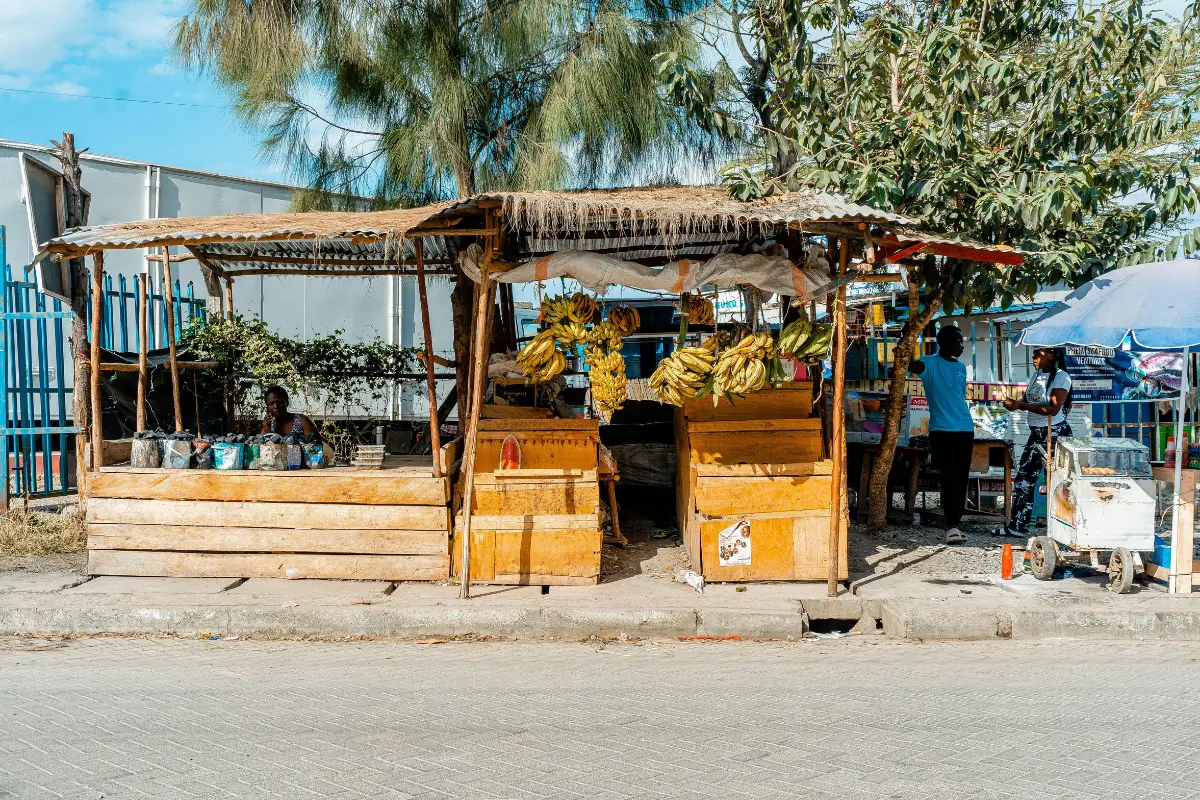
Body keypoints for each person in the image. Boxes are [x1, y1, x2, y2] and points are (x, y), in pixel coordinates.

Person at [995, 347, 1072, 538]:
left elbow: (1053, 408)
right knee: (1024, 480)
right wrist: (1016, 404)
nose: (1034, 357)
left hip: (1053, 433)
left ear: (1052, 355)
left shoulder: (1062, 377)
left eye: (1039, 354)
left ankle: (1067, 528)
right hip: (1036, 434)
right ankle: (1018, 526)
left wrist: (1021, 405)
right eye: (1033, 353)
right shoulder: (1038, 375)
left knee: (1060, 482)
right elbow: (1031, 400)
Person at [908, 325, 974, 544]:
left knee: (961, 478)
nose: (962, 346)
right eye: (958, 341)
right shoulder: (929, 364)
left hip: (965, 427)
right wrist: (905, 339)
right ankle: (951, 524)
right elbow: (910, 365)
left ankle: (956, 521)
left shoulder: (962, 367)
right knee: (949, 477)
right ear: (944, 342)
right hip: (942, 430)